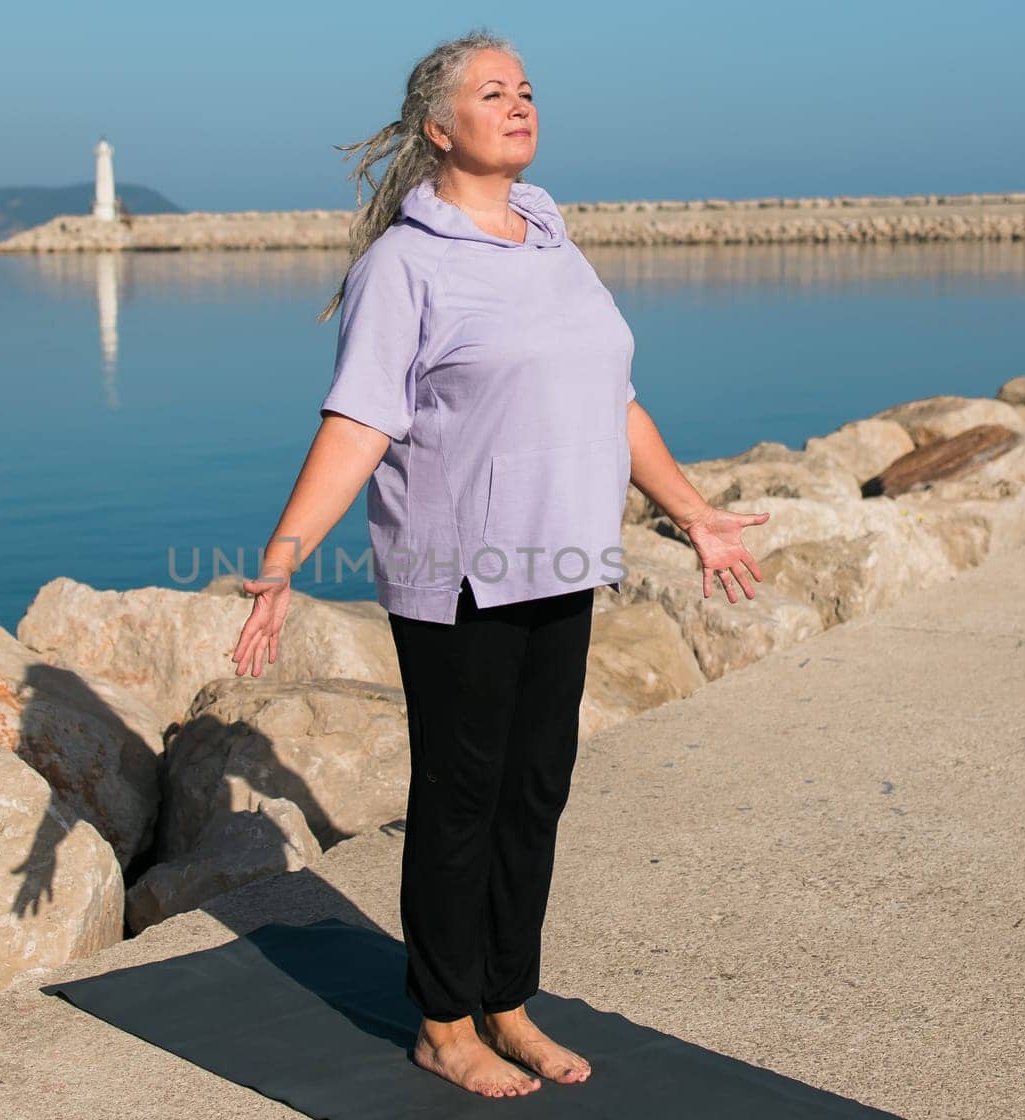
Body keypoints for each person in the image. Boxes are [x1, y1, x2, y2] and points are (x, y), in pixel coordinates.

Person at [229, 30, 769, 1100]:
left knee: (535, 792)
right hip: (459, 574)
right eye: (491, 92)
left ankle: (507, 999)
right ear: (439, 127)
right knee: (460, 796)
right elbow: (357, 423)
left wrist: (695, 515)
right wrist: (283, 560)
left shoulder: (550, 241)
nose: (518, 103)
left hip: (561, 563)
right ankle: (441, 1018)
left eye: (525, 89)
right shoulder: (406, 263)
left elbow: (613, 403)